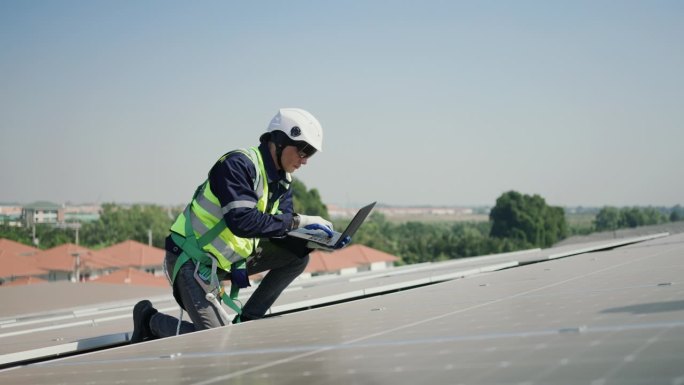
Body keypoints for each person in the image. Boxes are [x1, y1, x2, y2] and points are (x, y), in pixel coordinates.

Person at [131, 108, 347, 343]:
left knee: (298, 257)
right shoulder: (237, 165)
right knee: (218, 342)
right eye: (303, 150)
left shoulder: (282, 182)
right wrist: (299, 220)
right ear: (279, 141)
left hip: (224, 260)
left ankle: (247, 320)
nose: (305, 160)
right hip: (191, 261)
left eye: (311, 153)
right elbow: (242, 222)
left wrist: (317, 240)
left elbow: (280, 229)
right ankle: (149, 321)